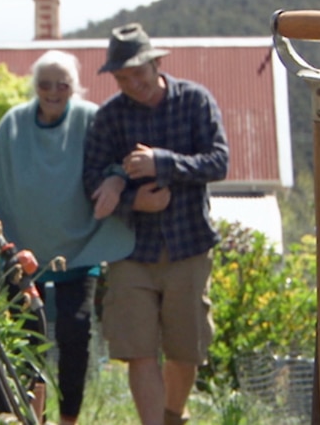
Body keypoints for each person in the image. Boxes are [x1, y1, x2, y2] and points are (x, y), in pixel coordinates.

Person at [0, 50, 135, 425]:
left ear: (74, 87)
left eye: (63, 85)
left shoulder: (92, 119)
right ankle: (33, 417)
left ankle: (68, 420)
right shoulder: (14, 124)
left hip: (81, 251)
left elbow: (121, 161)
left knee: (76, 337)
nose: (54, 92)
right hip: (26, 254)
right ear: (35, 86)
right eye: (45, 84)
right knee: (28, 342)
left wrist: (116, 178)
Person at [83, 23, 229, 425]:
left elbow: (219, 161)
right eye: (122, 77)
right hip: (133, 250)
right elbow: (91, 179)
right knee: (139, 350)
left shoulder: (195, 101)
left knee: (187, 348)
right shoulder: (111, 116)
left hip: (189, 245)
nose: (132, 83)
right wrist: (133, 201)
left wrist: (163, 162)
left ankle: (172, 416)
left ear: (156, 64)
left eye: (138, 73)